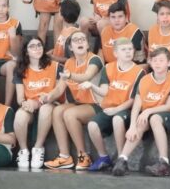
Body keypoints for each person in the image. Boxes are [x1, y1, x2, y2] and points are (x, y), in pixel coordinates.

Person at [112, 47, 170, 177]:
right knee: (140, 123)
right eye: (154, 60)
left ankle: (164, 163)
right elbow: (136, 106)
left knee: (154, 118)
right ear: (150, 62)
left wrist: (148, 111)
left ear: (169, 63)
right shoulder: (144, 80)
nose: (157, 63)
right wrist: (132, 126)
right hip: (150, 113)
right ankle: (122, 159)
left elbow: (169, 105)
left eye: (161, 60)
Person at [43, 30, 104, 170]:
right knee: (57, 110)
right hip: (80, 104)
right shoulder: (69, 63)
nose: (80, 41)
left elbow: (87, 76)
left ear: (88, 45)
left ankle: (83, 156)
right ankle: (64, 156)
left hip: (98, 104)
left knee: (70, 114)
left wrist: (70, 75)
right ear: (70, 47)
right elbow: (59, 89)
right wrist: (47, 97)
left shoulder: (94, 59)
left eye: (83, 39)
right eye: (76, 40)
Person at [87, 38, 145, 172]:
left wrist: (117, 109)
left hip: (126, 109)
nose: (128, 52)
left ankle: (121, 159)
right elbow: (104, 91)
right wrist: (91, 86)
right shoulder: (108, 68)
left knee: (117, 119)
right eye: (123, 50)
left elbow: (134, 99)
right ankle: (103, 157)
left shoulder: (139, 72)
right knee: (92, 125)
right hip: (109, 108)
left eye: (130, 49)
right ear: (115, 53)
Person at [13, 37, 65, 170]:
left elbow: (57, 92)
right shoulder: (20, 70)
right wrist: (26, 104)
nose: (37, 48)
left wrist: (38, 102)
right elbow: (20, 98)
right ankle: (23, 151)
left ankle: (38, 148)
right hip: (30, 105)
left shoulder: (55, 66)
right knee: (20, 115)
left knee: (45, 109)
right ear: (26, 52)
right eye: (32, 46)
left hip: (50, 103)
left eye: (39, 45)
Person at [50, 0, 80, 64]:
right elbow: (60, 47)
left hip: (64, 67)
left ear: (62, 16)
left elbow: (73, 60)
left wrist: (53, 58)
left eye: (59, 11)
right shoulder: (65, 30)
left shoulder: (73, 35)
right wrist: (50, 53)